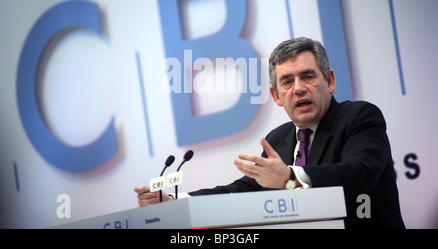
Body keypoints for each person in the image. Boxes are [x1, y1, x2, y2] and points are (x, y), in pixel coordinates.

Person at [134, 37, 405, 229]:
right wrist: (176, 202)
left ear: (330, 81)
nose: (298, 88)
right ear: (276, 95)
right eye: (287, 81)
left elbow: (359, 173)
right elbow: (245, 189)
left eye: (308, 76)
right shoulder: (280, 138)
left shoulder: (359, 116)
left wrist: (289, 178)